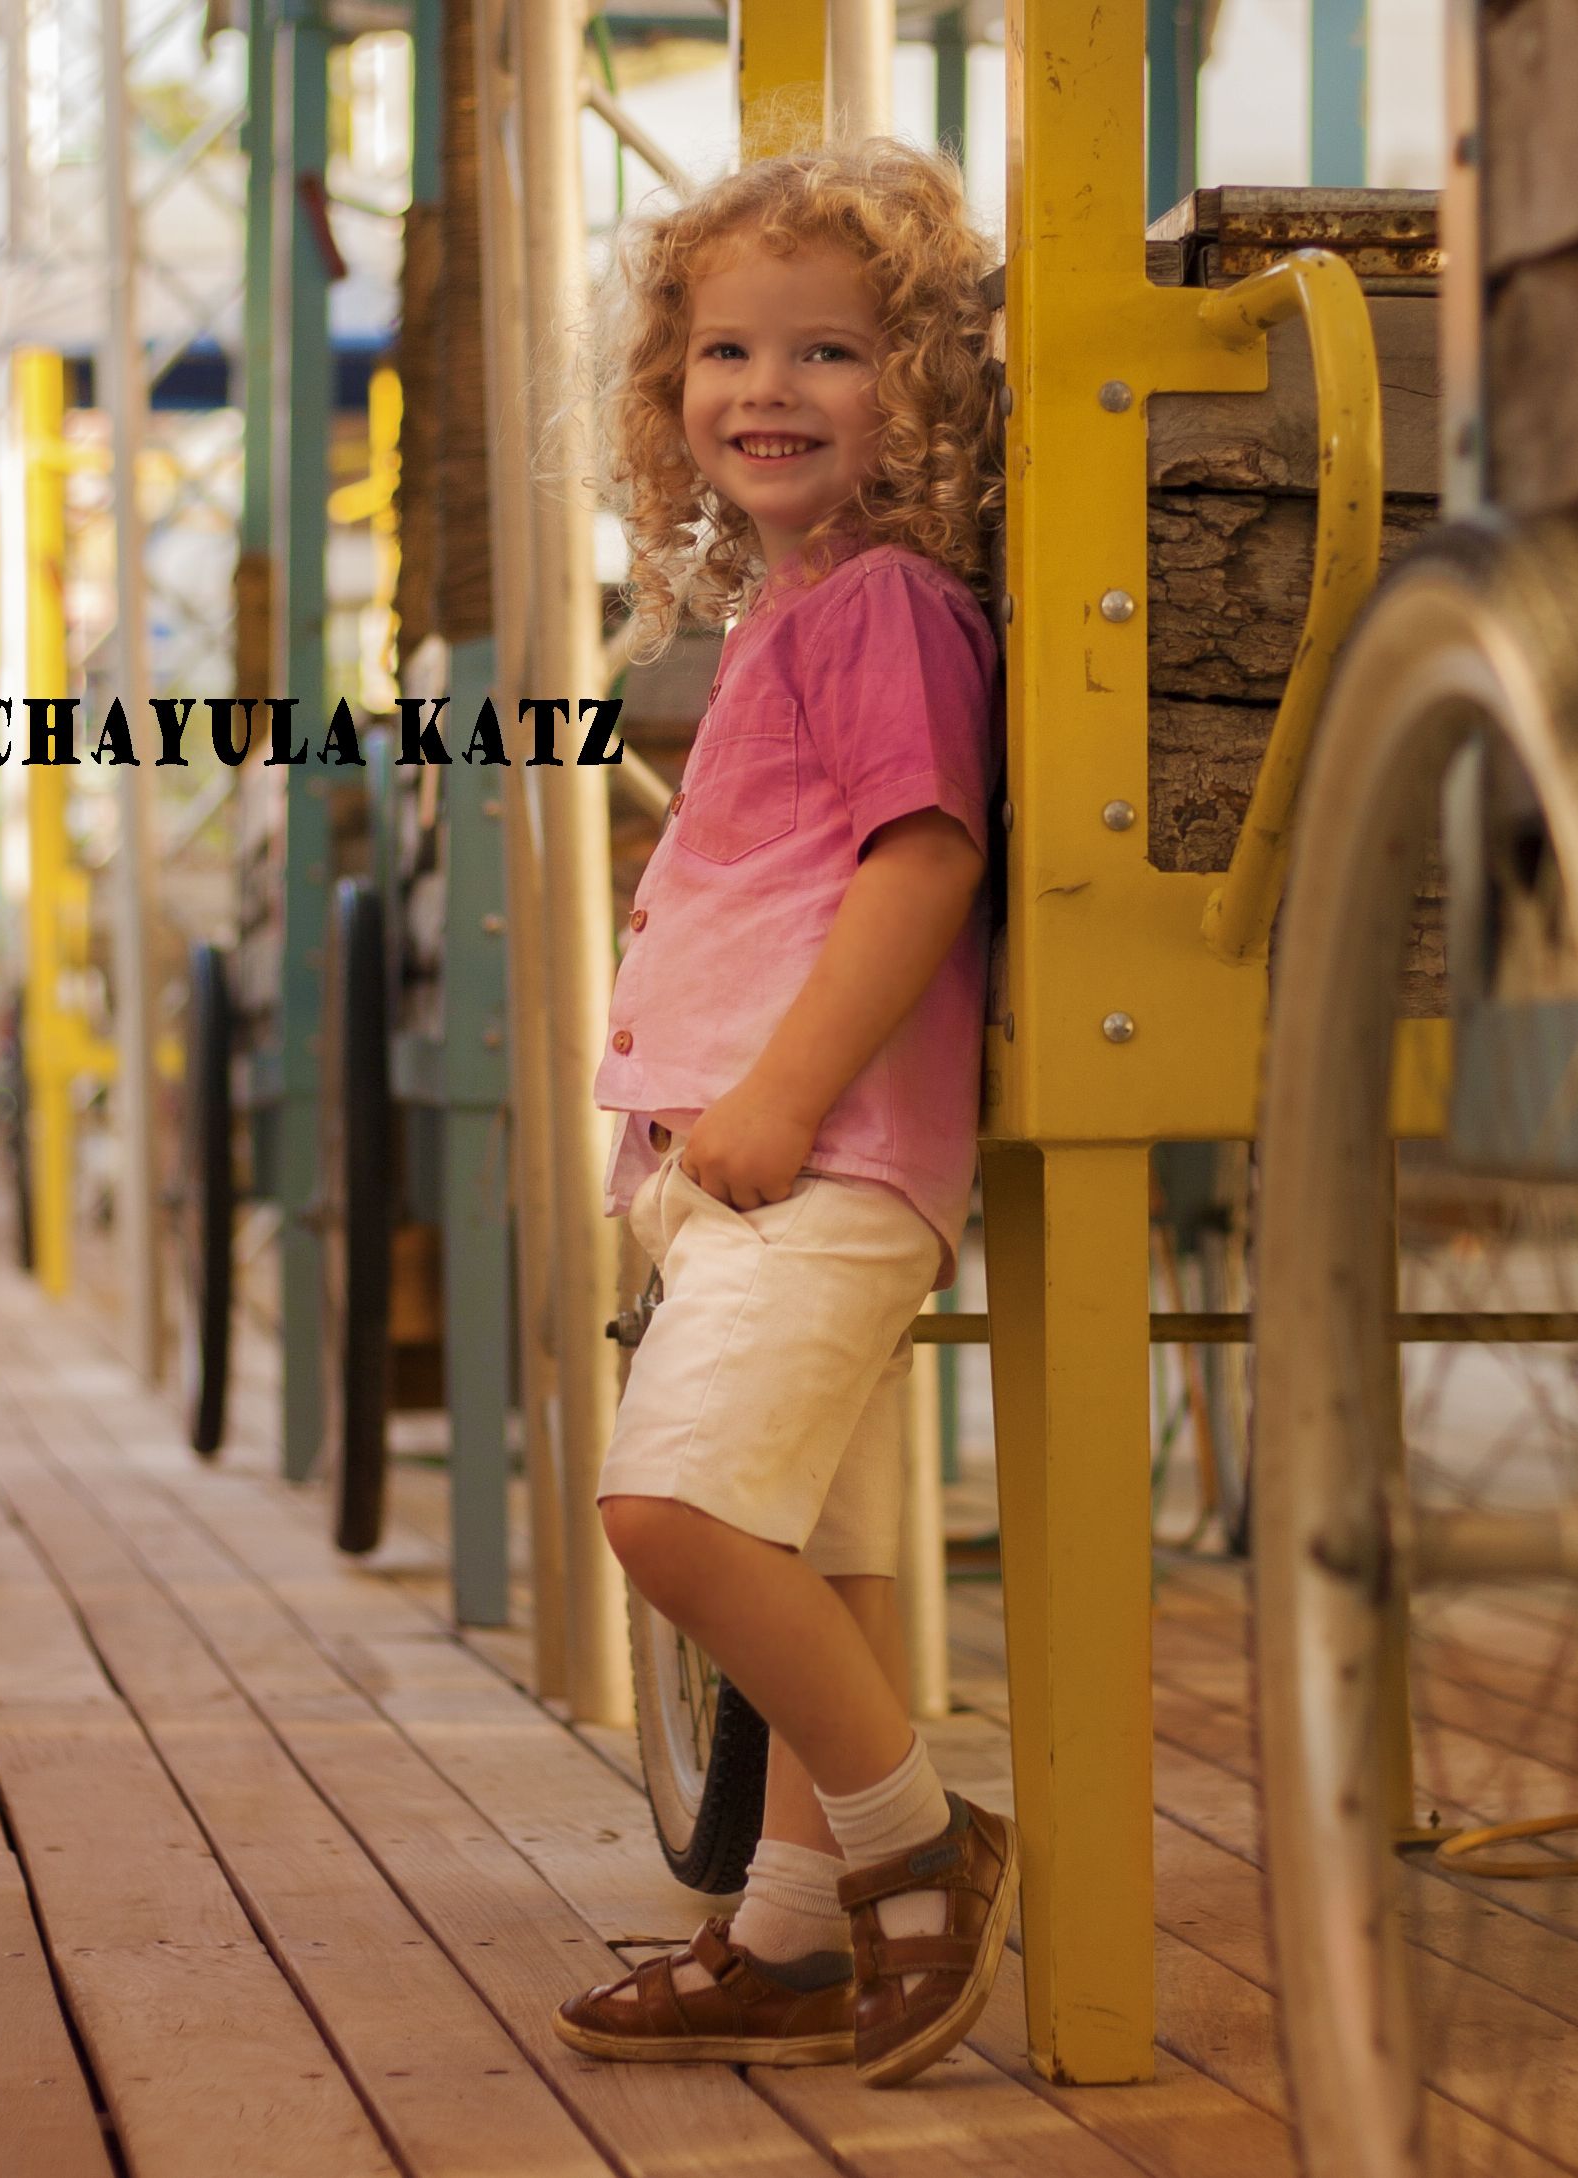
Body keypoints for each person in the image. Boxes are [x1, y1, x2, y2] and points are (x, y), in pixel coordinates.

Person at [549, 136, 1010, 2089]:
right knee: (815, 1560)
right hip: (754, 1160)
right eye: (727, 351)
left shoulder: (881, 603)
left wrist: (776, 1096)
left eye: (829, 352)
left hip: (814, 1156)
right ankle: (793, 1934)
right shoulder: (791, 609)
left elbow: (924, 856)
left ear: (922, 386)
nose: (767, 389)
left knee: (664, 1512)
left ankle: (918, 1840)